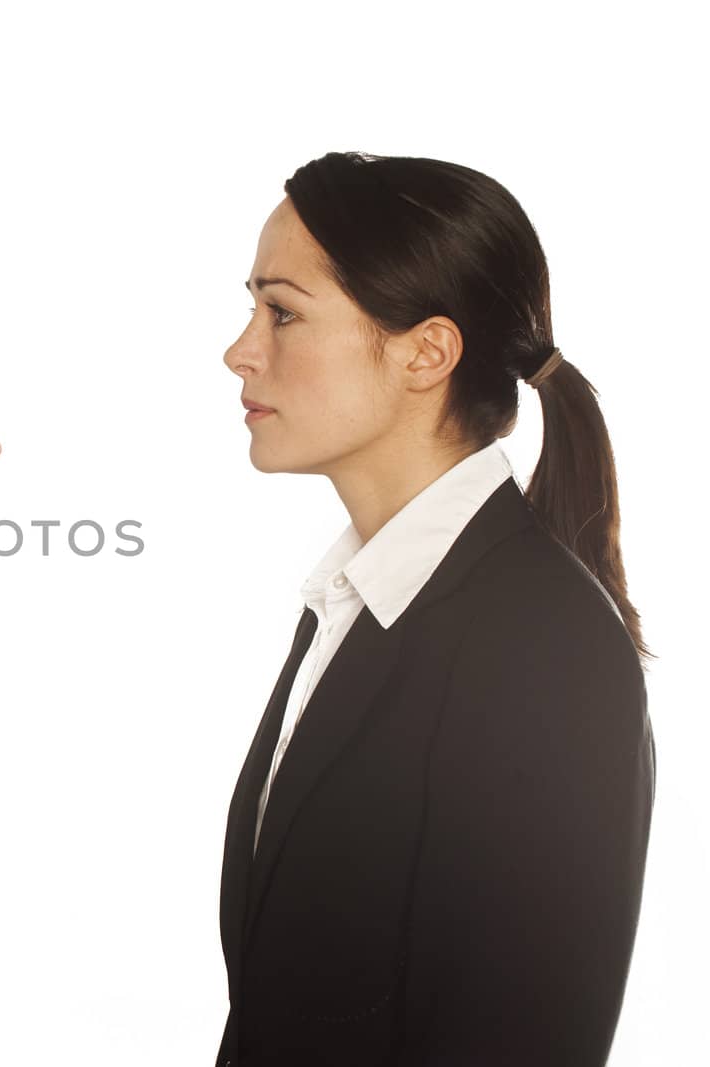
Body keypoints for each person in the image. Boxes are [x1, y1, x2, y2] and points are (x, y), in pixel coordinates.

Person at [216, 151, 654, 1066]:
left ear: (428, 351)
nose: (240, 350)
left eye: (283, 311)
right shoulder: (353, 603)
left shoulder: (543, 645)